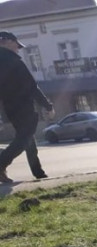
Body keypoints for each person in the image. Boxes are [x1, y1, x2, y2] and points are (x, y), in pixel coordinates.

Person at [0, 31, 54, 183]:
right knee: (24, 139)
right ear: (6, 42)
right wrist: (47, 106)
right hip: (23, 105)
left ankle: (38, 171)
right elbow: (31, 86)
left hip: (10, 107)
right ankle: (1, 162)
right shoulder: (13, 61)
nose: (18, 49)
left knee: (28, 138)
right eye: (16, 46)